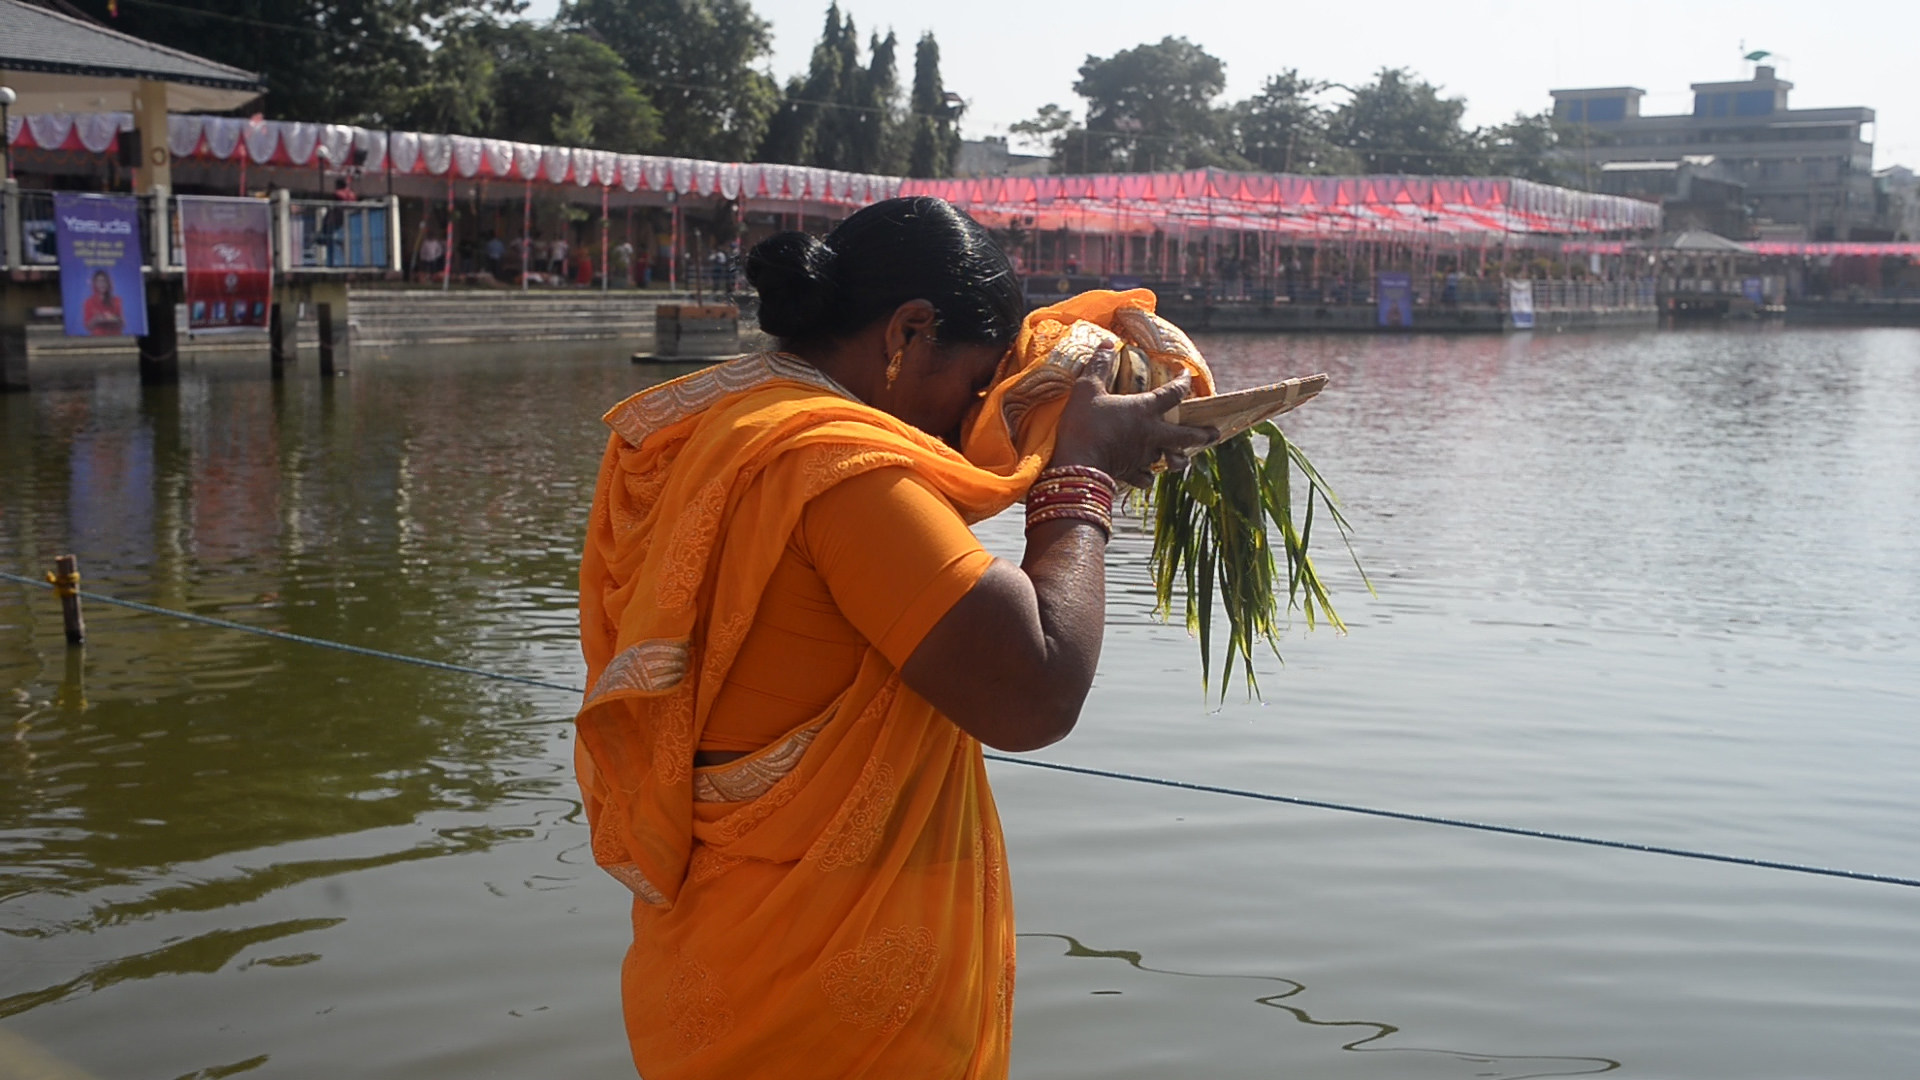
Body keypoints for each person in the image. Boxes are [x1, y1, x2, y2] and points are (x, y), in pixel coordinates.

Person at [575, 197, 1213, 1080]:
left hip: (719, 968)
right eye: (976, 380)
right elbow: (1035, 689)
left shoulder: (702, 434)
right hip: (828, 1012)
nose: (967, 419)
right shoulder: (835, 471)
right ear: (909, 332)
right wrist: (1082, 477)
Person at [81, 270, 124, 335]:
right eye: (99, 281)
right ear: (95, 284)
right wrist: (96, 320)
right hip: (98, 340)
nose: (102, 284)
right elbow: (88, 326)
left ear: (108, 283)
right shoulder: (88, 302)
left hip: (116, 338)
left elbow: (122, 324)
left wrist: (115, 319)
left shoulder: (117, 300)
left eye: (104, 281)